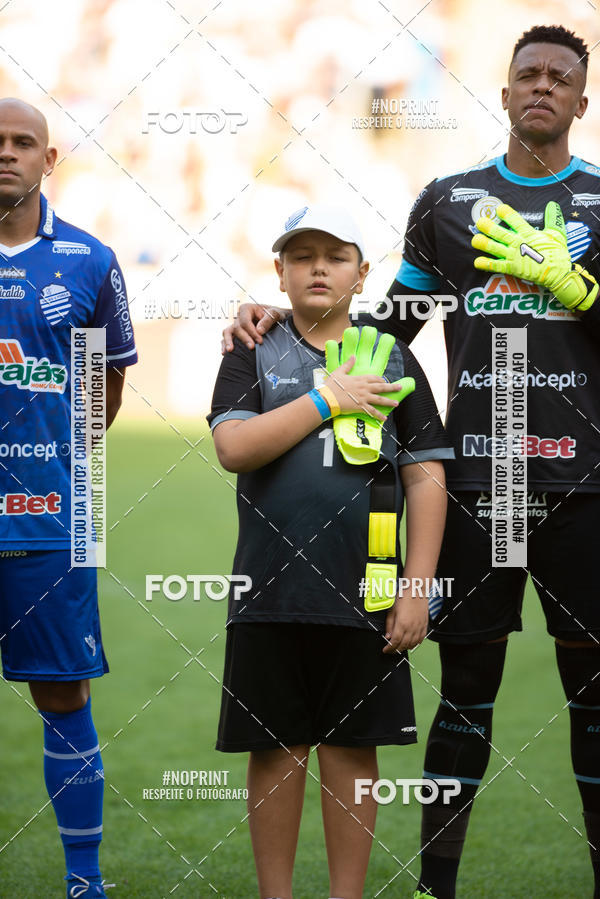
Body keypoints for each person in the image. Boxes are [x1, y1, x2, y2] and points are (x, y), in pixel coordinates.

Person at [222, 25, 600, 899]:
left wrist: (581, 289)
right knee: (466, 690)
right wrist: (287, 322)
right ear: (502, 96)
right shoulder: (449, 200)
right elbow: (388, 334)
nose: (541, 87)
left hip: (583, 481)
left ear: (581, 102)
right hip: (475, 476)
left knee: (593, 694)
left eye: (559, 79)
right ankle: (437, 887)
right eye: (526, 76)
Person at [209, 204, 453, 899]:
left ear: (361, 272)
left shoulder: (391, 354)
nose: (319, 266)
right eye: (303, 254)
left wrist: (417, 585)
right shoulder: (253, 348)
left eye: (336, 254)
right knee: (277, 747)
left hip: (367, 591)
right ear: (280, 271)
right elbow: (233, 447)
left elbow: (426, 470)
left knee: (352, 749)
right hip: (271, 591)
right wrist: (327, 398)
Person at [0, 99, 137, 898]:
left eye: (23, 143)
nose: (7, 154)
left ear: (50, 159)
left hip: (51, 518)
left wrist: (59, 468)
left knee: (61, 690)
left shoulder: (89, 261)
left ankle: (83, 879)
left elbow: (105, 386)